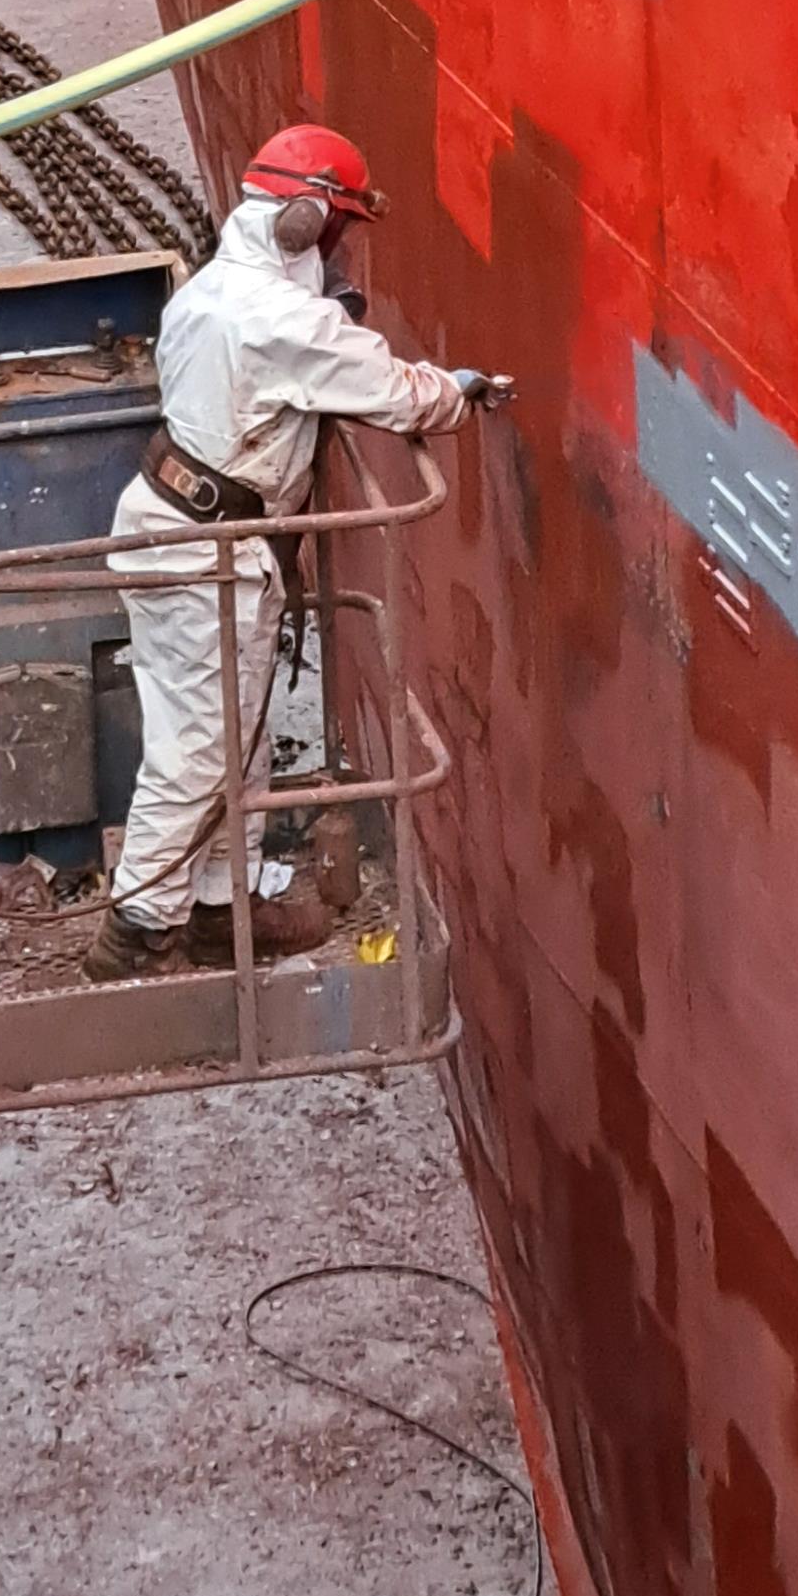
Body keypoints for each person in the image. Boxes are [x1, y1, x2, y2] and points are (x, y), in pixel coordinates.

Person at [88, 123, 510, 980]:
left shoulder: (210, 291)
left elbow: (295, 350)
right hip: (210, 552)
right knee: (200, 745)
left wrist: (330, 307)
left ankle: (217, 906)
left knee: (234, 736)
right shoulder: (281, 319)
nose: (340, 244)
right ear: (305, 220)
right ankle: (135, 933)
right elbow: (394, 393)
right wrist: (458, 394)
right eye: (337, 227)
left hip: (177, 527)